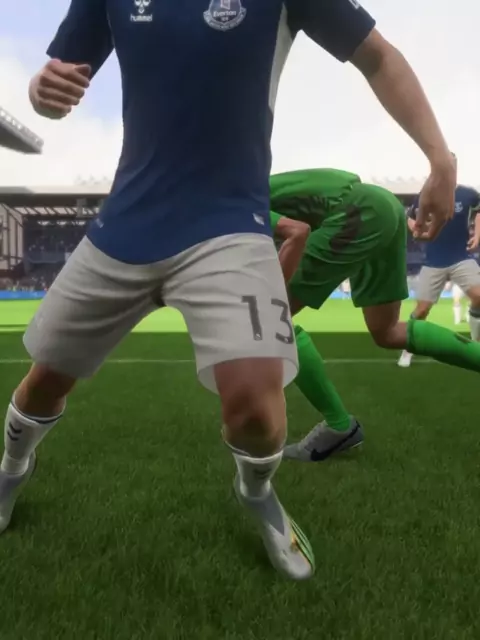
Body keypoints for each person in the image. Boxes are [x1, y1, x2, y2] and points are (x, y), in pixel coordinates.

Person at [0, 0, 455, 581]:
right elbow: (57, 83)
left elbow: (379, 57)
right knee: (45, 381)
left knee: (261, 414)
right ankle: (12, 468)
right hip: (128, 225)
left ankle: (255, 490)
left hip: (231, 225)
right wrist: (42, 92)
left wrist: (440, 157)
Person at [268, 169, 480, 462]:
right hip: (381, 206)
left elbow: (296, 231)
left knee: (268, 320)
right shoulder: (232, 193)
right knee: (388, 331)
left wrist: (268, 304)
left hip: (357, 212)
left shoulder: (218, 207)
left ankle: (339, 426)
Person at [398, 184, 480, 367]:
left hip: (461, 258)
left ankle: (476, 344)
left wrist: (477, 234)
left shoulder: (468, 194)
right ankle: (407, 350)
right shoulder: (426, 194)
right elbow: (410, 218)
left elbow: (479, 212)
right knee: (421, 310)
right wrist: (416, 230)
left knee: (479, 296)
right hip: (433, 262)